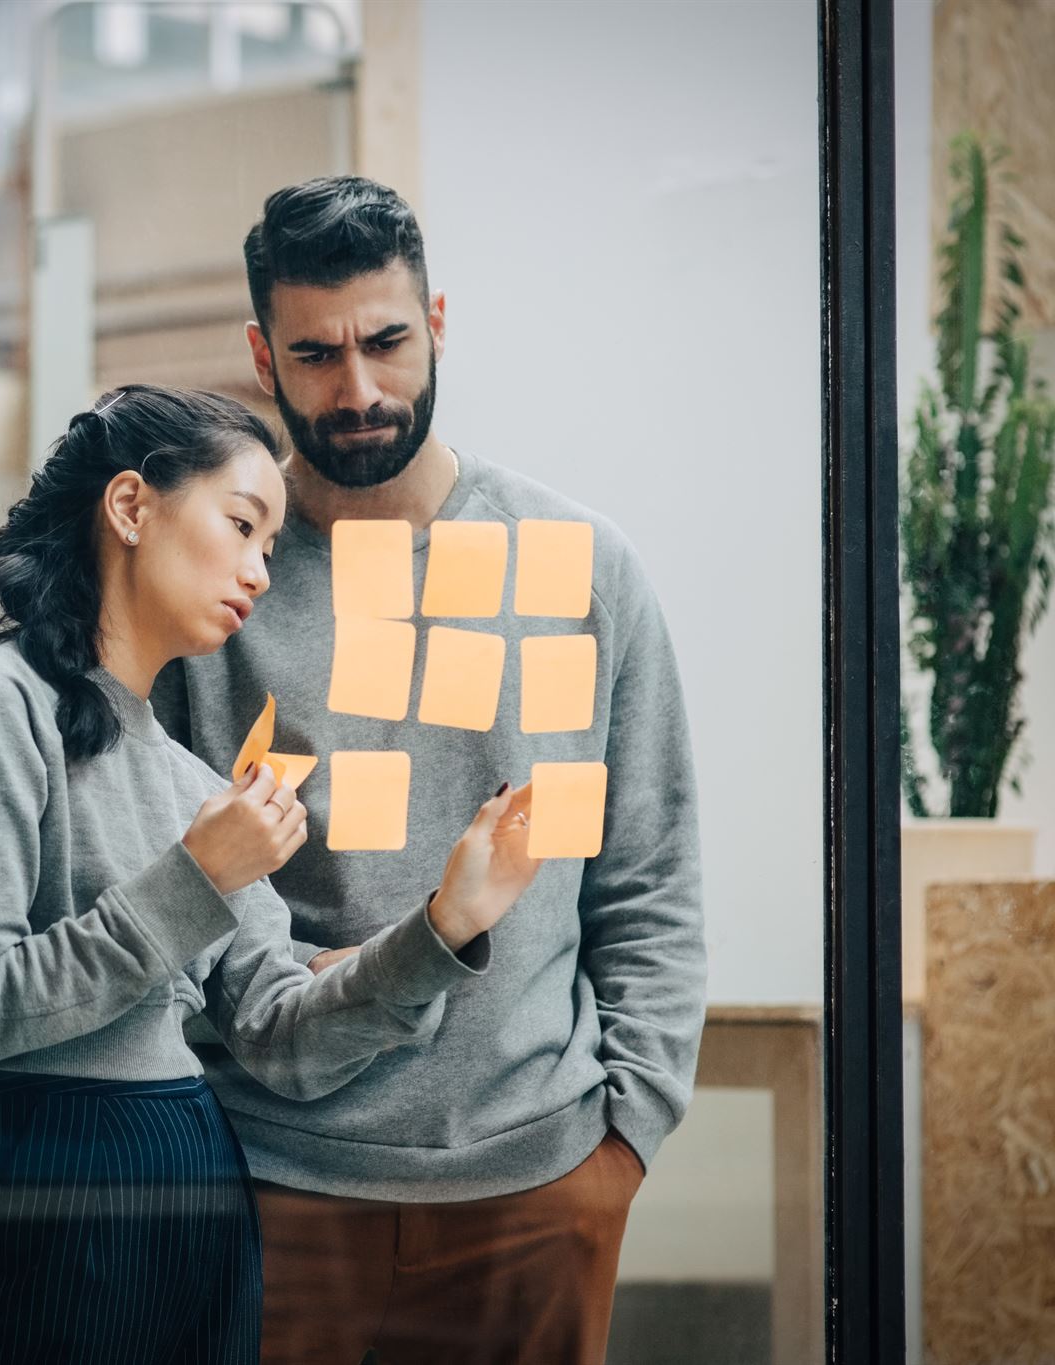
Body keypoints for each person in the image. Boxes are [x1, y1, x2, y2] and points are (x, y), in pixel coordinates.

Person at [150, 176, 707, 1364]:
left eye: (386, 342)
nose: (357, 389)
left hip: (538, 1186)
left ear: (436, 321)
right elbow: (177, 888)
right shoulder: (217, 590)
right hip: (276, 1186)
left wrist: (621, 1146)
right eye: (314, 353)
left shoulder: (579, 567)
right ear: (262, 355)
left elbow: (649, 876)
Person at [0, 383, 544, 1364]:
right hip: (43, 1182)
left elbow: (281, 1039)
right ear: (129, 506)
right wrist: (195, 878)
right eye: (240, 527)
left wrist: (443, 930)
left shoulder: (190, 778)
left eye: (269, 548)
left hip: (192, 1183)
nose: (256, 572)